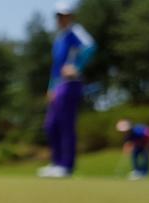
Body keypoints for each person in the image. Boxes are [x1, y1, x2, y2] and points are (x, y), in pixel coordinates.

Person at [38, 1, 96, 178]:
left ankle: (66, 166)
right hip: (58, 87)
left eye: (65, 15)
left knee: (65, 124)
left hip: (71, 84)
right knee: (51, 125)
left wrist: (76, 67)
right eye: (59, 16)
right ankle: (56, 163)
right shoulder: (59, 38)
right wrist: (51, 88)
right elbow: (56, 67)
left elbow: (90, 46)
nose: (61, 19)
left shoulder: (75, 31)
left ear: (70, 16)